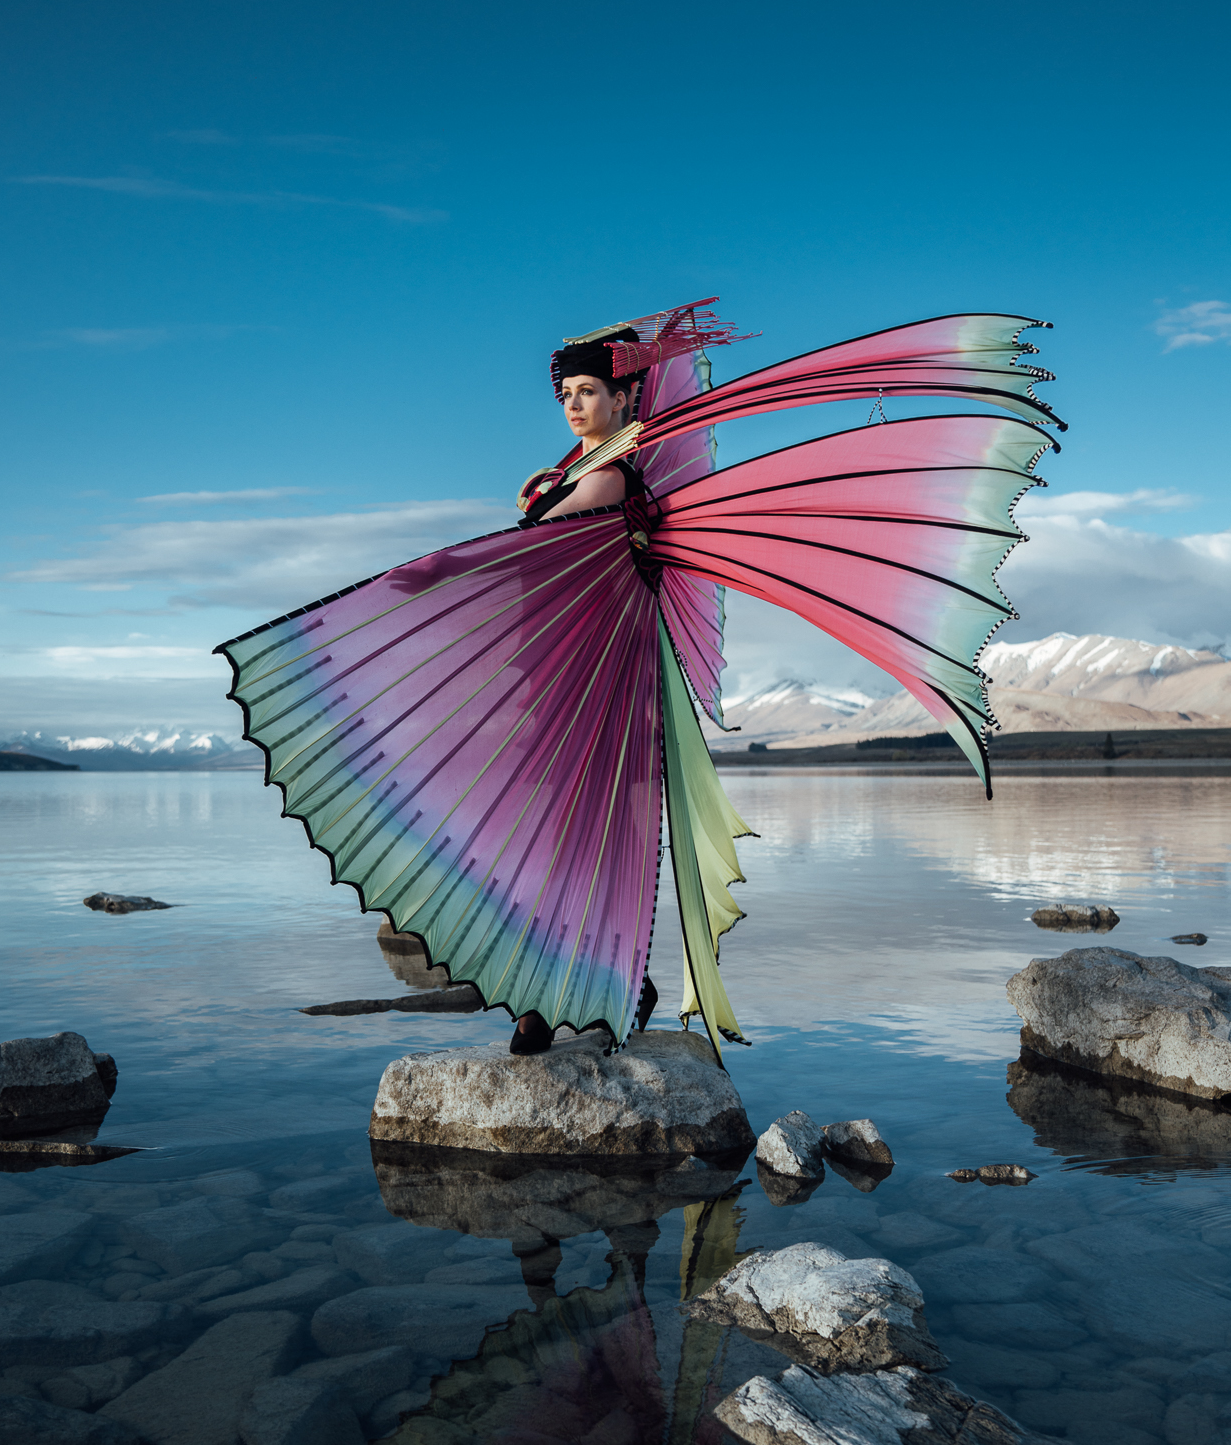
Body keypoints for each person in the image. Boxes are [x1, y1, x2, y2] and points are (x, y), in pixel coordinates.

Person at [216, 299, 1059, 1066]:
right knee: (554, 839)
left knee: (585, 841)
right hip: (554, 683)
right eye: (566, 395)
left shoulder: (613, 477)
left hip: (604, 690)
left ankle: (589, 994)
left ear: (625, 400)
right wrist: (537, 504)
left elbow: (517, 555)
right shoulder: (577, 475)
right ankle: (571, 991)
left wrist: (430, 571)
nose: (576, 405)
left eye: (589, 391)